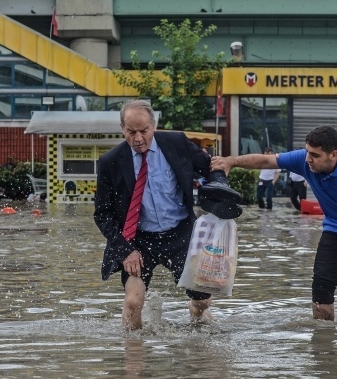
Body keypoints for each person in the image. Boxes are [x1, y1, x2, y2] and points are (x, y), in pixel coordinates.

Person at [210, 125, 337, 327]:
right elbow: (266, 161)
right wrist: (231, 161)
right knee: (321, 285)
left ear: (333, 155)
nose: (308, 159)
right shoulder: (304, 160)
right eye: (307, 152)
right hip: (336, 228)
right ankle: (324, 342)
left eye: (315, 155)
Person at [93, 100, 241, 330]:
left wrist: (220, 190)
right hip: (137, 241)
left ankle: (196, 311)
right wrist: (125, 250)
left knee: (203, 300)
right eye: (131, 132)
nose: (138, 138)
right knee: (132, 302)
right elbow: (102, 214)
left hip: (181, 235)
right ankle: (133, 358)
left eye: (144, 130)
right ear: (122, 128)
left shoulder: (176, 143)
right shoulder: (110, 162)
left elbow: (211, 169)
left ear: (154, 125)